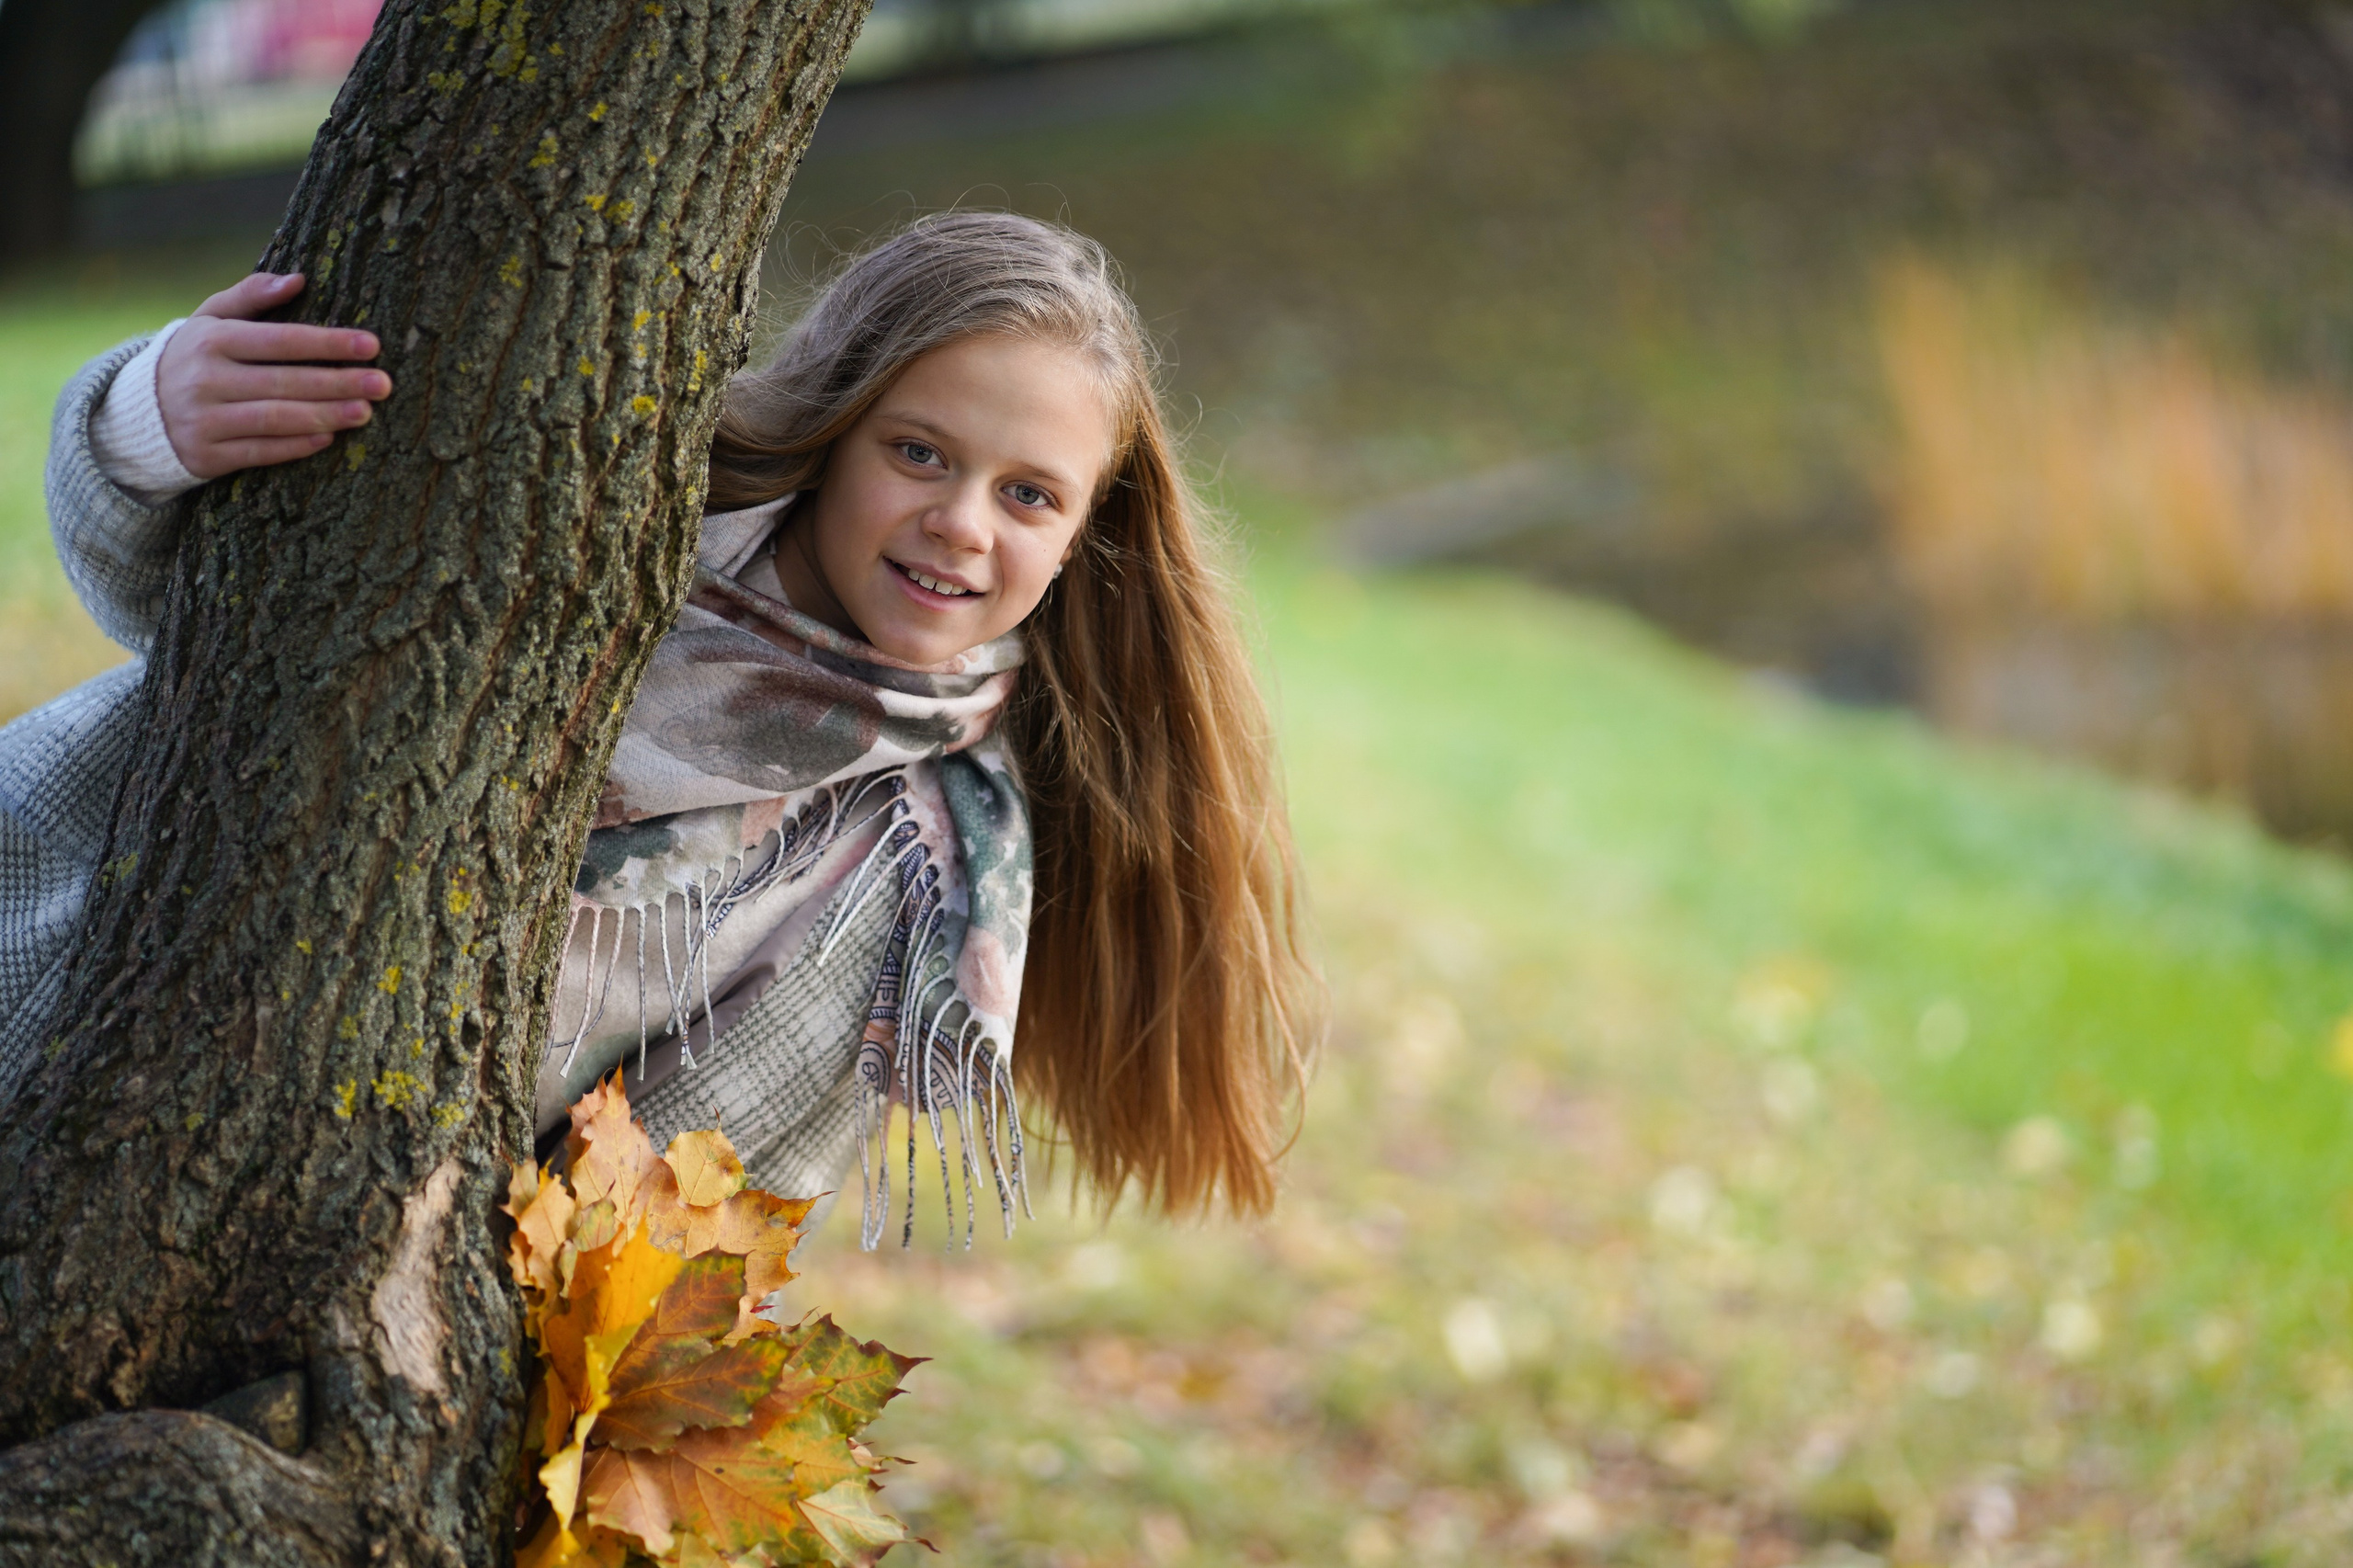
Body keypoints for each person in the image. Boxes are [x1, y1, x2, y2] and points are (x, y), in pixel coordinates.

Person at [1, 212, 1317, 1246]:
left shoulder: (914, 868)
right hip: (51, 916)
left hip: (255, 1213)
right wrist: (149, 419)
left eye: (1029, 495)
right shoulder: (616, 503)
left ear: (1084, 534)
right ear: (837, 423)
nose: (963, 523)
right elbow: (186, 610)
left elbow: (657, 1215)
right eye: (919, 452)